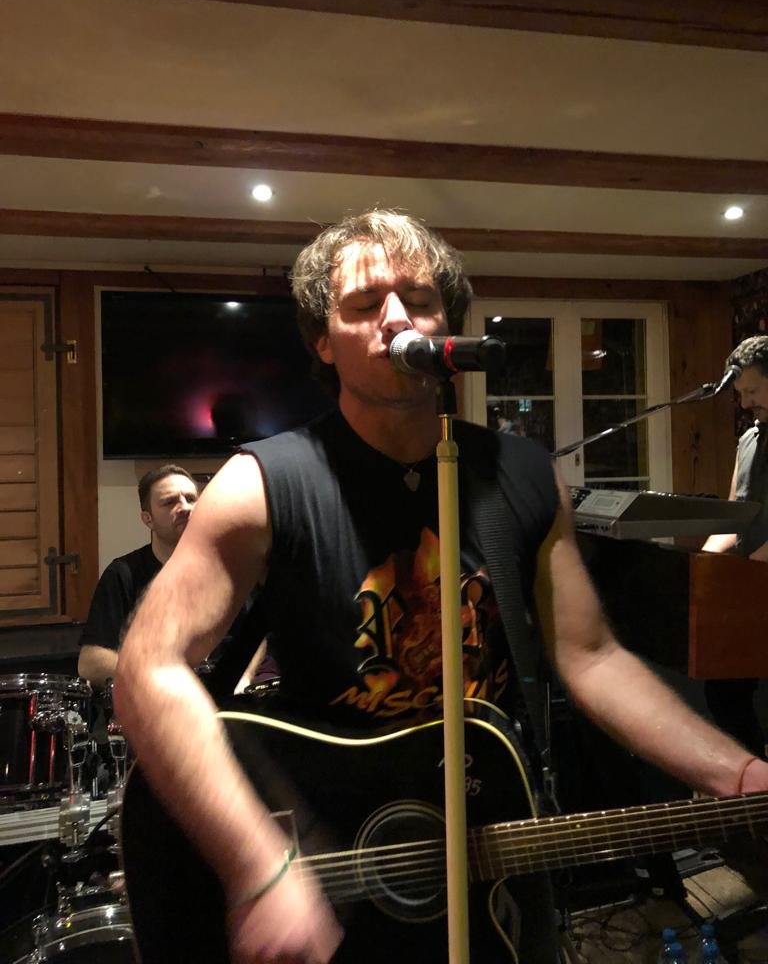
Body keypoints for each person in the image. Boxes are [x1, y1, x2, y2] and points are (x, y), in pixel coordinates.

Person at [115, 211, 768, 964]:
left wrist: (738, 772)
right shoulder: (260, 485)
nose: (397, 319)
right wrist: (258, 864)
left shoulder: (522, 475)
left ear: (448, 325)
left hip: (489, 839)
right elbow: (148, 670)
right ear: (323, 341)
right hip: (336, 861)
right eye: (365, 305)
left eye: (419, 300)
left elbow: (591, 657)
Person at [701, 335, 768, 757]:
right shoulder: (748, 441)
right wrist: (702, 565)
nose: (745, 403)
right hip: (751, 590)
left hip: (756, 580)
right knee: (723, 692)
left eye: (753, 391)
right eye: (740, 393)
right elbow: (734, 517)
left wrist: (748, 570)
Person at [78, 464, 199, 688]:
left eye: (191, 499)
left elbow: (254, 641)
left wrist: (245, 676)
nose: (184, 507)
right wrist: (165, 677)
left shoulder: (225, 567)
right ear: (148, 519)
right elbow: (91, 664)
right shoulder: (122, 574)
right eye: (170, 502)